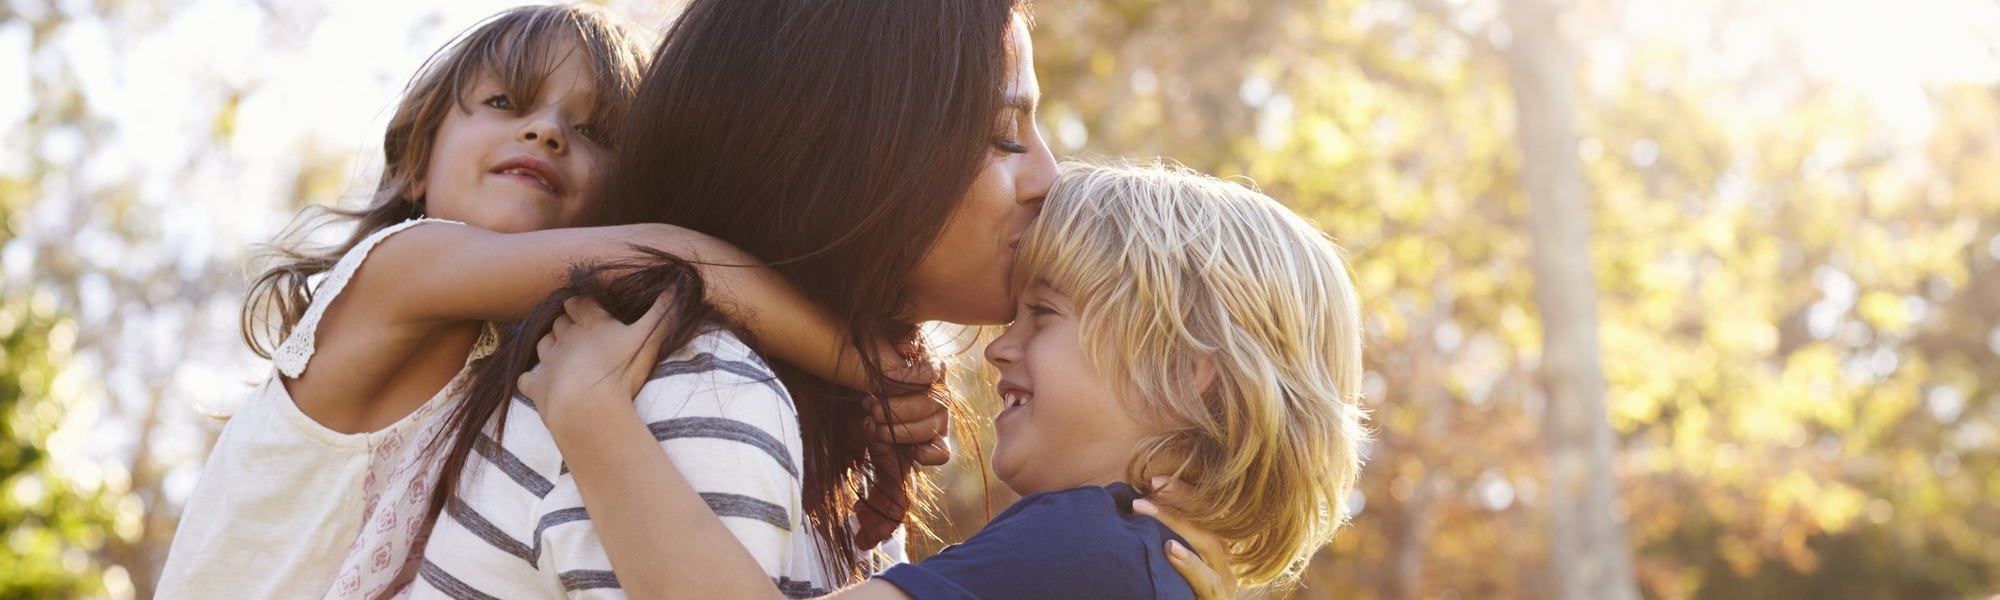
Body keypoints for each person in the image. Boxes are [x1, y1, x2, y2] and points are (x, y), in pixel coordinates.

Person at [158, 6, 944, 599]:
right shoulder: (395, 269)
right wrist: (869, 367)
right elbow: (686, 261)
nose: (545, 134)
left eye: (593, 130)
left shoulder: (522, 360)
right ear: (415, 166)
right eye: (506, 103)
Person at [409, 0, 1063, 597]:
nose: (1049, 179)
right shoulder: (701, 395)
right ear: (841, 155)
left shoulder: (781, 410)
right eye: (1005, 134)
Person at [532, 160, 1370, 599]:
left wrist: (590, 412)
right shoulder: (1134, 566)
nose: (1000, 349)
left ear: (1192, 378)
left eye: (1044, 314)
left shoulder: (1085, 547)